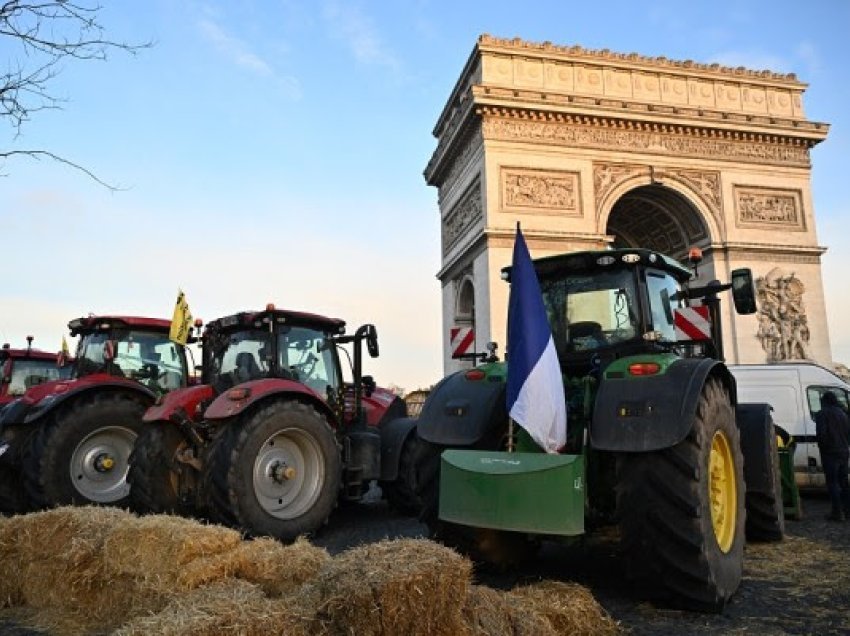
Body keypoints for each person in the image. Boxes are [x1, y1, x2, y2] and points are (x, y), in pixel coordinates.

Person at [815, 391, 850, 521]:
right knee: (844, 483)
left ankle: (837, 512)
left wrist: (823, 448)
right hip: (843, 451)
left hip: (830, 453)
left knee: (833, 483)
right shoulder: (843, 414)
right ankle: (847, 511)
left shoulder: (822, 414)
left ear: (824, 401)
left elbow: (822, 435)